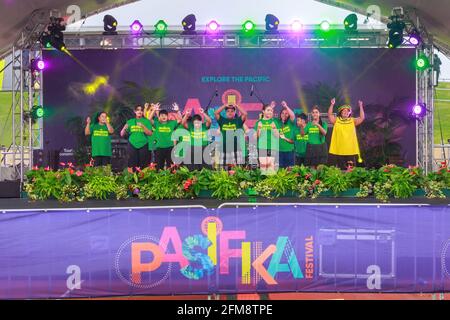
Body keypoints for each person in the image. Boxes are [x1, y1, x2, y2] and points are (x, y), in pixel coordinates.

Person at [328, 98, 365, 169]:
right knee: (341, 169)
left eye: (347, 111)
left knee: (351, 170)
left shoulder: (352, 120)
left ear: (349, 113)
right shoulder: (336, 120)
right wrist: (332, 104)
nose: (345, 112)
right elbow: (330, 115)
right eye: (344, 111)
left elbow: (362, 118)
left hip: (350, 150)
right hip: (339, 150)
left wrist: (361, 106)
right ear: (341, 113)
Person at [147, 102, 182, 170]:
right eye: (162, 115)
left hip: (170, 148)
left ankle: (170, 179)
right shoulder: (157, 124)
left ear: (167, 116)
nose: (164, 117)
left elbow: (180, 120)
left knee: (171, 167)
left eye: (165, 115)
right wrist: (154, 110)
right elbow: (149, 119)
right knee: (159, 167)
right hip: (159, 148)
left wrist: (177, 111)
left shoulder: (172, 123)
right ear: (159, 117)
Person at [214, 103, 247, 169]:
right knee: (222, 170)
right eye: (228, 111)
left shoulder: (238, 121)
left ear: (235, 112)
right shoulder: (222, 120)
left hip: (236, 148)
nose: (230, 113)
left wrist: (237, 105)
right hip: (224, 148)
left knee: (239, 169)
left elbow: (245, 114)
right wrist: (224, 106)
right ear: (225, 112)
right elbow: (216, 113)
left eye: (232, 111)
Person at [120, 105, 153, 170]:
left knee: (143, 163)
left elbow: (150, 133)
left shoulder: (146, 121)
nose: (139, 111)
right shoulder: (130, 121)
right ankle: (132, 178)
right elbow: (122, 134)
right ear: (135, 111)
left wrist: (143, 126)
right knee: (132, 163)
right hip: (132, 144)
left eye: (141, 110)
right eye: (138, 110)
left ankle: (142, 178)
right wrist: (124, 128)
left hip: (143, 144)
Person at [254, 101, 280, 174]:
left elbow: (278, 136)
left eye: (271, 110)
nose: (270, 112)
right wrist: (259, 128)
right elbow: (256, 137)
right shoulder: (259, 122)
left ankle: (270, 185)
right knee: (263, 168)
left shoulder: (274, 122)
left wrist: (274, 128)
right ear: (263, 111)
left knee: (270, 168)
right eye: (268, 110)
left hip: (272, 147)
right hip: (262, 147)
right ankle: (263, 185)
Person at [278, 101, 296, 168]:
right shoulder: (278, 122)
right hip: (279, 151)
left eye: (286, 113)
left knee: (290, 170)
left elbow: (293, 115)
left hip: (289, 151)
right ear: (280, 114)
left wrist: (286, 106)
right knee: (280, 171)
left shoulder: (290, 122)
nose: (284, 114)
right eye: (282, 113)